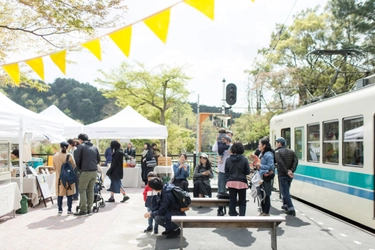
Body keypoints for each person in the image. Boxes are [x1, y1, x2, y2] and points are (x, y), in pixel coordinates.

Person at [73, 133, 101, 216]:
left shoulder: (80, 147)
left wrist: (79, 169)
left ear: (80, 140)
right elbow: (98, 160)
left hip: (85, 171)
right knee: (90, 190)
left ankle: (83, 210)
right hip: (94, 171)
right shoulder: (95, 147)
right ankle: (89, 209)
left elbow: (76, 160)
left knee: (82, 190)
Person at [225, 142, 250, 216]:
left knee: (232, 201)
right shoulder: (244, 159)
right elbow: (247, 172)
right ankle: (242, 218)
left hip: (231, 182)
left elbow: (226, 171)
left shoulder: (228, 159)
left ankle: (233, 217)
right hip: (242, 182)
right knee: (242, 201)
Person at [275, 137, 298, 216]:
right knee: (286, 189)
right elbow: (296, 161)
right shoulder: (291, 151)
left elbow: (280, 162)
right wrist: (291, 170)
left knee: (285, 192)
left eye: (276, 143)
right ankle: (285, 205)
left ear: (280, 143)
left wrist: (286, 171)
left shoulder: (277, 152)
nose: (276, 144)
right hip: (289, 174)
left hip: (282, 174)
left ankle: (291, 208)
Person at [212, 131, 233, 216]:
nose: (226, 137)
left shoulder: (232, 146)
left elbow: (230, 152)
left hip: (231, 170)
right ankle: (220, 209)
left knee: (232, 190)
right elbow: (214, 149)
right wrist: (217, 140)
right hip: (222, 170)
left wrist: (227, 144)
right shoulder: (219, 143)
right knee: (221, 190)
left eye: (229, 136)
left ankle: (232, 209)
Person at [53, 141, 76, 215]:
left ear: (60, 147)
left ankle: (60, 209)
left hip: (59, 178)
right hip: (69, 178)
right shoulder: (69, 156)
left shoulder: (55, 156)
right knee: (69, 194)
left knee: (60, 194)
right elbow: (74, 166)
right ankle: (69, 210)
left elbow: (54, 167)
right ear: (67, 147)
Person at [254, 138, 275, 216]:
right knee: (262, 194)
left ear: (264, 145)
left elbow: (271, 166)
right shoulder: (262, 153)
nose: (258, 146)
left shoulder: (268, 154)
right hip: (261, 176)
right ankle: (263, 211)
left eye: (260, 144)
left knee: (266, 194)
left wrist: (260, 165)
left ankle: (266, 212)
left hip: (265, 177)